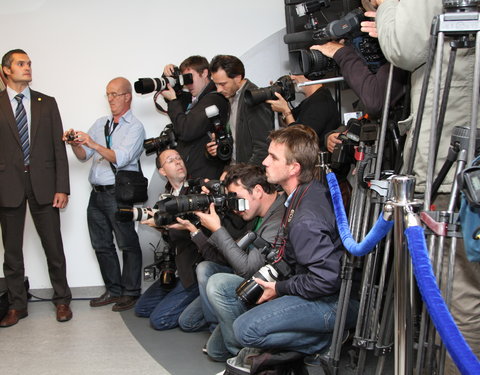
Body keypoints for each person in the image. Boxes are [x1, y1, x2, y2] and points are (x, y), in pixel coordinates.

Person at [372, 0, 480, 373]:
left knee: (456, 300)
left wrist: (385, 7)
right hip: (460, 159)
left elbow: (403, 43)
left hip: (454, 167)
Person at [232, 125, 358, 356]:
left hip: (336, 300)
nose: (265, 162)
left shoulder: (305, 219)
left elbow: (325, 281)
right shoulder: (306, 193)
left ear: (294, 168)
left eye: (272, 157)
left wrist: (280, 289)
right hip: (326, 290)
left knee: (245, 330)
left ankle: (329, 341)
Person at [177, 164, 286, 360]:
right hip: (250, 284)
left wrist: (218, 230)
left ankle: (246, 358)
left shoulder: (278, 218)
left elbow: (245, 269)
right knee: (214, 350)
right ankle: (233, 327)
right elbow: (226, 257)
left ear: (258, 191)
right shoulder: (256, 213)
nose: (235, 206)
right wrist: (197, 230)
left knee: (218, 285)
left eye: (237, 198)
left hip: (270, 292)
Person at [0, 49, 72, 326]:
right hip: (8, 185)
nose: (27, 68)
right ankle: (17, 305)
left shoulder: (47, 103)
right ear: (6, 70)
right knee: (12, 252)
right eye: (21, 64)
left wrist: (62, 187)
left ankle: (63, 300)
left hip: (44, 184)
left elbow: (58, 148)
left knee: (54, 246)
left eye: (29, 63)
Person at [65, 77, 145, 312]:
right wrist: (75, 143)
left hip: (118, 193)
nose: (110, 99)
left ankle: (131, 292)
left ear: (127, 96)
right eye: (107, 94)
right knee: (101, 244)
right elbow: (83, 156)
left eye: (114, 94)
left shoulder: (135, 127)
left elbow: (120, 158)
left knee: (127, 243)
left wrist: (93, 143)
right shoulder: (101, 123)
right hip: (97, 194)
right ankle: (114, 290)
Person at [134, 149, 203, 330]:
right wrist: (159, 226)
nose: (178, 162)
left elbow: (200, 233)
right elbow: (171, 238)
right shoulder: (165, 197)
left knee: (160, 320)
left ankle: (201, 302)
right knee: (142, 309)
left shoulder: (197, 191)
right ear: (162, 171)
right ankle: (181, 300)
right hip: (176, 267)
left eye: (179, 158)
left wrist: (167, 225)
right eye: (171, 160)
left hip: (194, 269)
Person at [160, 55, 230, 180]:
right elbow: (174, 98)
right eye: (185, 79)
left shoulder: (213, 99)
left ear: (204, 73)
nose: (188, 83)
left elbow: (186, 130)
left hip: (206, 174)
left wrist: (172, 101)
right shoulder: (196, 99)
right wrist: (168, 76)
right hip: (196, 172)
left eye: (190, 77)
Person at [208, 55, 274, 164]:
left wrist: (243, 178)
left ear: (238, 78)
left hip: (248, 175)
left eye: (222, 84)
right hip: (236, 170)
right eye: (216, 84)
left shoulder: (253, 99)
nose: (219, 89)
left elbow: (262, 149)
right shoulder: (231, 95)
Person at [265, 74, 339, 151]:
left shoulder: (320, 102)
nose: (292, 77)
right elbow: (288, 123)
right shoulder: (310, 100)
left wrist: (286, 111)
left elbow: (300, 141)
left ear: (310, 76)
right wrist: (279, 100)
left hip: (316, 159)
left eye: (296, 74)